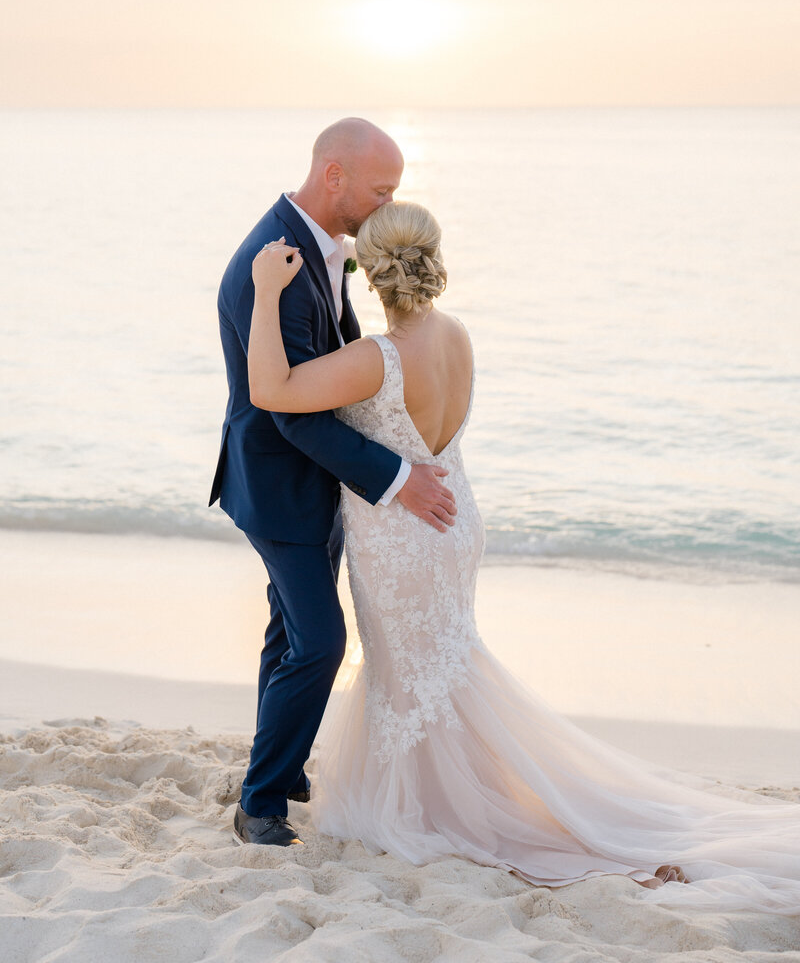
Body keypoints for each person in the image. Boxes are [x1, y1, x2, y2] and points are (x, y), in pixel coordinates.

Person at [247, 199, 800, 914]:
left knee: (415, 670)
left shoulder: (374, 360)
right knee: (444, 662)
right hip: (454, 521)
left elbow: (272, 389)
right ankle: (466, 787)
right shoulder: (456, 336)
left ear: (370, 272)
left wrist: (265, 294)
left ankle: (460, 810)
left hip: (404, 536)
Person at [209, 120, 456, 848]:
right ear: (334, 177)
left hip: (312, 484)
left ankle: (279, 769)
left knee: (289, 627)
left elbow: (336, 362)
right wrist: (398, 478)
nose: (387, 205)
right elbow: (289, 414)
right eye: (381, 191)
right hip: (280, 485)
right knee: (319, 641)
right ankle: (260, 804)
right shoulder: (275, 262)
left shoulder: (322, 245)